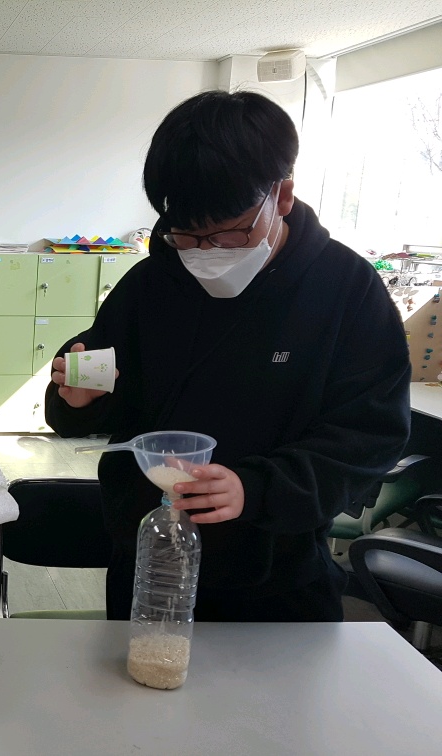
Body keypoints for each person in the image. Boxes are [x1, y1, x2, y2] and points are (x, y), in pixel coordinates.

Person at [46, 90, 411, 622]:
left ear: (282, 195)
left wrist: (255, 489)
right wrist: (79, 399)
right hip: (150, 563)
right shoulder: (153, 282)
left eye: (230, 233)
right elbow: (96, 381)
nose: (206, 253)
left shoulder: (346, 290)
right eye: (187, 235)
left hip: (278, 576)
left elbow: (368, 436)